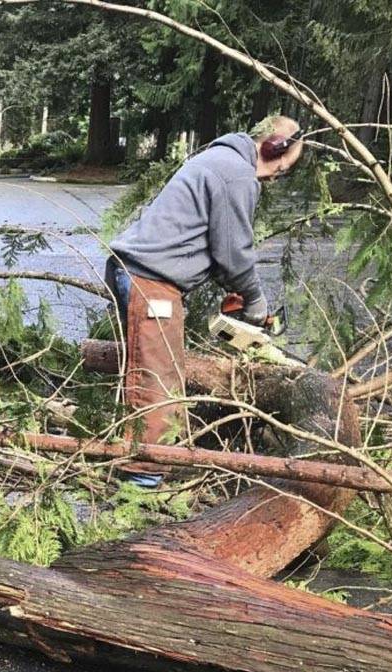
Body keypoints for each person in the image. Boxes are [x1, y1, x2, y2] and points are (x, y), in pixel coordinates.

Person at [105, 115, 305, 487]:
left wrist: (229, 288)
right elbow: (234, 251)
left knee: (153, 372)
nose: (278, 175)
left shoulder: (220, 161)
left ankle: (142, 461)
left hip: (145, 276)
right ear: (273, 147)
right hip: (150, 281)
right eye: (284, 165)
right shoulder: (235, 173)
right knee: (157, 384)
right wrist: (255, 302)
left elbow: (204, 237)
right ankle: (141, 484)